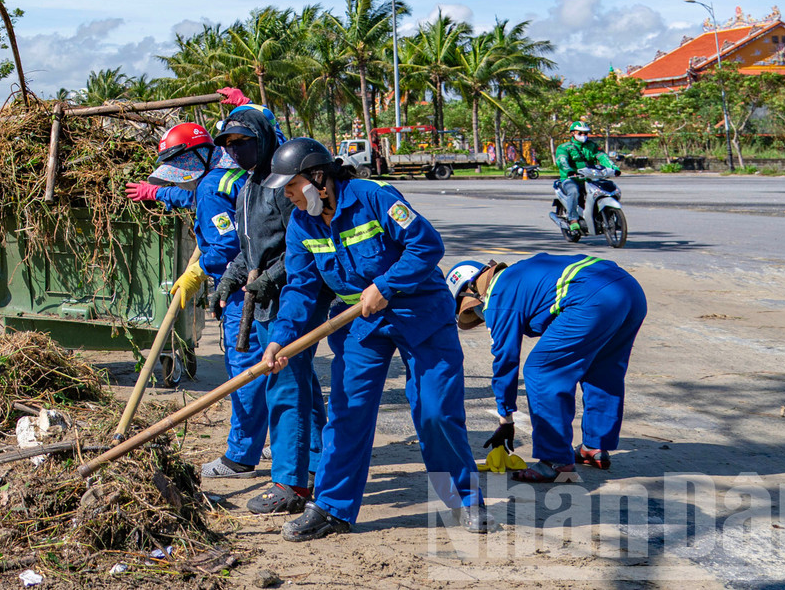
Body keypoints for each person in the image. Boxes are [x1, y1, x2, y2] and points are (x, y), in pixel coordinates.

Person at [261, 136, 492, 541]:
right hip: (361, 324)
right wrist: (282, 339)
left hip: (419, 311)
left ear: (318, 177)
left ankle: (464, 500)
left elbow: (426, 245)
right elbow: (300, 289)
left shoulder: (374, 197)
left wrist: (386, 284)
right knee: (348, 409)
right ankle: (333, 508)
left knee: (435, 410)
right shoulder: (301, 223)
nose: (289, 196)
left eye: (293, 186)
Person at [126, 121, 275, 486]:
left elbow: (226, 247)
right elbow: (198, 197)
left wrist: (198, 271)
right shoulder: (230, 173)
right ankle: (287, 443)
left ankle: (240, 457)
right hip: (272, 280)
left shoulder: (210, 186)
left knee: (246, 372)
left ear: (196, 157)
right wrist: (156, 194)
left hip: (244, 288)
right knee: (279, 367)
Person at [210, 106, 326, 515]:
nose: (235, 151)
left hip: (291, 302)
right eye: (228, 145)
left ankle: (290, 482)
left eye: (242, 143)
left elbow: (298, 249)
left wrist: (271, 278)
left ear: (263, 139)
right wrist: (231, 277)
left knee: (285, 388)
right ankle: (316, 462)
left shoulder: (282, 186)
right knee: (300, 384)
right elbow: (250, 251)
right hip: (263, 305)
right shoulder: (246, 188)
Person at [450, 254, 649, 482]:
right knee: (603, 370)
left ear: (471, 290)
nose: (477, 316)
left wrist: (505, 417)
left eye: (467, 308)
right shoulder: (518, 274)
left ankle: (555, 462)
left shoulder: (497, 296)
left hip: (592, 298)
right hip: (629, 290)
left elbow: (505, 360)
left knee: (541, 371)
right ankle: (594, 446)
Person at [553, 122, 617, 237]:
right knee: (574, 191)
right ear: (573, 133)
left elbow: (603, 157)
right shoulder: (564, 148)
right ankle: (573, 220)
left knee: (608, 188)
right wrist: (569, 171)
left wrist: (613, 168)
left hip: (590, 178)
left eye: (586, 133)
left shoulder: (592, 146)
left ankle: (607, 216)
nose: (583, 135)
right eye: (580, 133)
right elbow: (562, 161)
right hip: (571, 179)